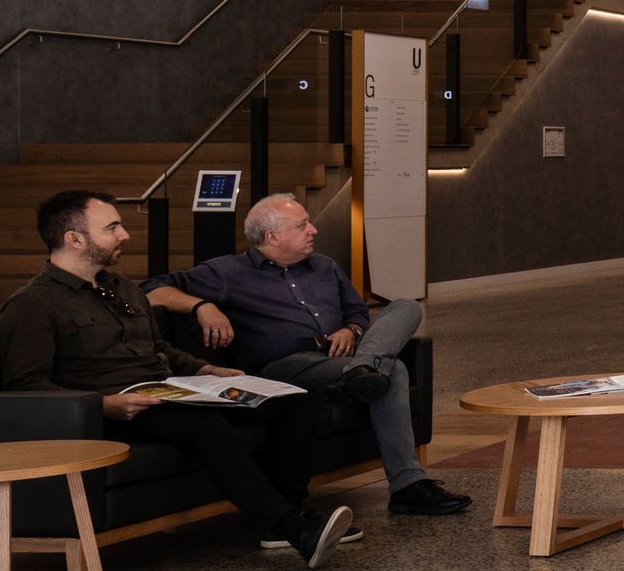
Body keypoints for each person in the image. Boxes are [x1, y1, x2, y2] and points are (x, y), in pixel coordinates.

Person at [0, 191, 354, 568]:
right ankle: (293, 528)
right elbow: (25, 386)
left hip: (169, 391)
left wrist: (206, 371)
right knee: (206, 427)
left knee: (296, 399)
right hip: (116, 411)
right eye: (112, 227)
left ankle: (285, 515)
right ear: (74, 239)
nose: (124, 235)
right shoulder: (32, 304)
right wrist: (104, 405)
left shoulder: (122, 289)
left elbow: (160, 348)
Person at [142, 192, 469, 517]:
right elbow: (151, 289)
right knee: (393, 369)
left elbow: (357, 313)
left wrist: (351, 330)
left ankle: (362, 370)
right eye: (302, 225)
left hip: (338, 359)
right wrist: (202, 305)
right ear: (272, 237)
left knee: (406, 306)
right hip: (284, 368)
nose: (313, 230)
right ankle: (407, 486)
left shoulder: (325, 266)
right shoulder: (228, 272)